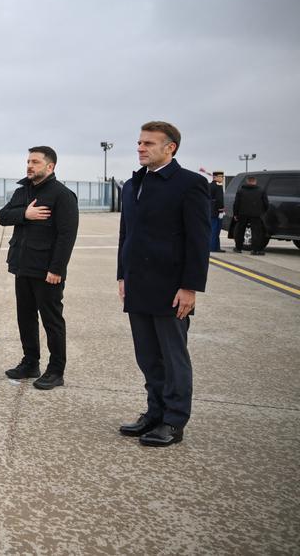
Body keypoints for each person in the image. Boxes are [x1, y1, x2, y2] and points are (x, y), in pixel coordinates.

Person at [117, 121, 209, 447]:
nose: (140, 148)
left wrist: (190, 287)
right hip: (138, 284)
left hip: (171, 289)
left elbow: (198, 241)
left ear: (170, 148)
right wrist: (122, 275)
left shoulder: (190, 184)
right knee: (147, 357)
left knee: (173, 358)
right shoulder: (133, 184)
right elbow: (126, 233)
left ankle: (173, 421)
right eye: (139, 142)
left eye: (149, 143)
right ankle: (154, 413)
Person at [0, 146, 79, 390]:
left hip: (47, 271)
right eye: (28, 161)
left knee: (52, 320)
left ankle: (56, 370)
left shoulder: (62, 195)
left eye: (35, 162)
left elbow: (67, 236)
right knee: (26, 317)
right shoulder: (22, 191)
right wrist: (26, 213)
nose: (29, 166)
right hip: (22, 266)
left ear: (50, 166)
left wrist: (57, 269)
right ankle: (30, 363)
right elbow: (2, 216)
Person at [233, 176, 270, 256]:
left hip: (242, 214)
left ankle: (238, 248)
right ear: (255, 182)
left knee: (240, 231)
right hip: (256, 215)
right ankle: (255, 250)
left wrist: (235, 214)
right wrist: (262, 212)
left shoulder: (240, 191)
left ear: (247, 182)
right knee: (256, 232)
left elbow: (236, 203)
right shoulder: (261, 191)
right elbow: (266, 203)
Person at [208, 171, 225, 253]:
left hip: (210, 210)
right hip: (217, 211)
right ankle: (214, 247)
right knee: (216, 230)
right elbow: (219, 199)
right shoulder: (218, 187)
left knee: (212, 229)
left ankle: (213, 246)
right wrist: (221, 209)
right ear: (215, 177)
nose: (222, 178)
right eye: (221, 176)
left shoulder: (209, 186)